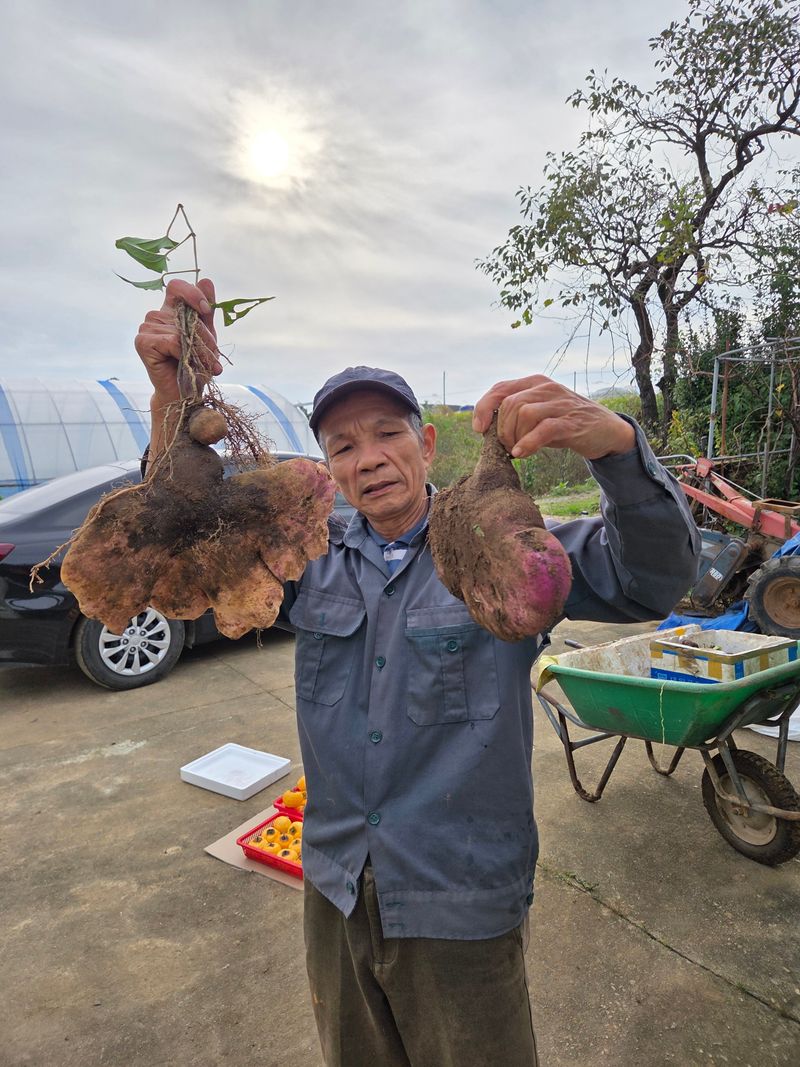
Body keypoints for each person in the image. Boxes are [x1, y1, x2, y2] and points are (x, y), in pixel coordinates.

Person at [135, 279, 700, 1067]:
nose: (368, 459)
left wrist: (616, 447)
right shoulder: (309, 554)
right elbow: (180, 555)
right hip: (335, 891)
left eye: (386, 434)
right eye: (342, 446)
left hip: (459, 905)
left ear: (426, 443)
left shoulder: (496, 544)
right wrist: (172, 400)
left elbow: (651, 580)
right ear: (327, 467)